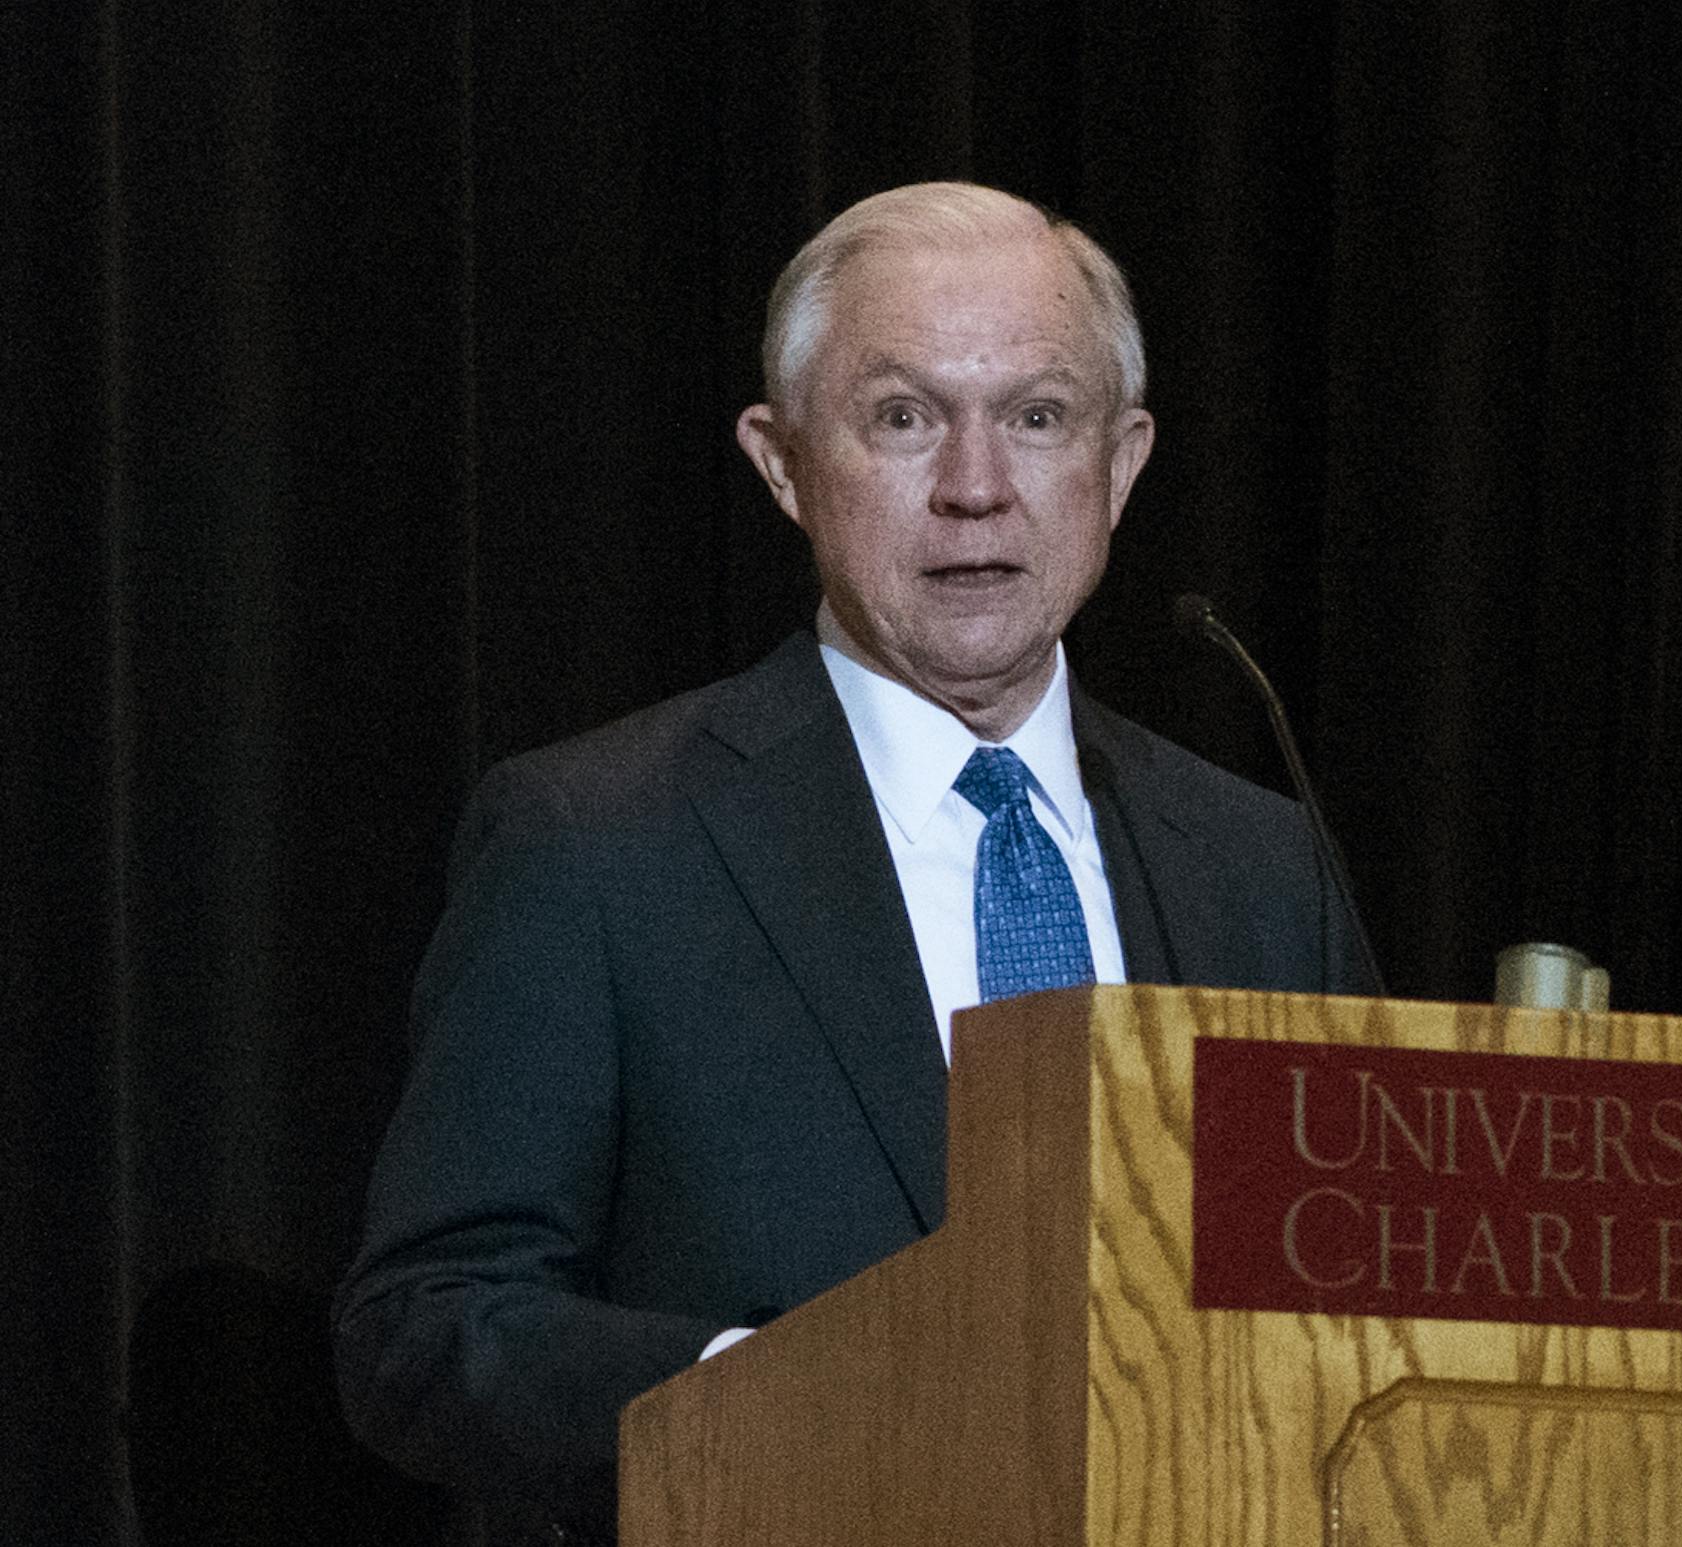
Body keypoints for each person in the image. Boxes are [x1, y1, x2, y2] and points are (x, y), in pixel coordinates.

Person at [333, 181, 1378, 1543]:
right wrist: (755, 1397)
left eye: (1037, 418)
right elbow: (428, 1327)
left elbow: (1365, 1302)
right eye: (902, 418)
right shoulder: (598, 843)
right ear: (782, 465)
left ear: (1119, 466)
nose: (976, 486)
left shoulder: (1259, 860)